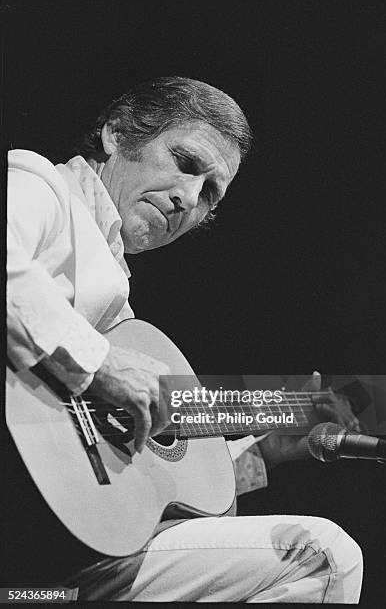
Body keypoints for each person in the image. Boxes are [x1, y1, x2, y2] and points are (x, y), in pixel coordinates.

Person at [7, 76, 363, 602]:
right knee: (319, 554)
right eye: (186, 163)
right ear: (117, 133)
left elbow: (123, 497)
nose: (189, 200)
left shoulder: (116, 300)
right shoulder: (40, 184)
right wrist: (101, 364)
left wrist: (258, 455)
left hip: (53, 562)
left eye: (210, 194)